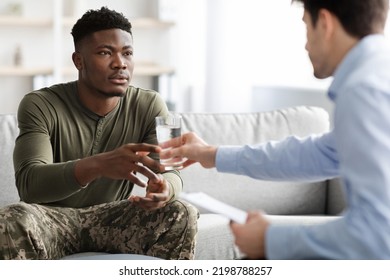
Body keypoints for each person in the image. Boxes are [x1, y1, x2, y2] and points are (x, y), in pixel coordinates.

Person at [160, 0, 390, 259]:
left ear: (324, 23)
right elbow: (317, 155)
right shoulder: (377, 77)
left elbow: (377, 235)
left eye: (306, 27)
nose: (305, 44)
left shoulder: (364, 90)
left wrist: (272, 240)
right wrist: (211, 154)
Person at [0, 6, 198, 260]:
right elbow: (30, 186)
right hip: (51, 220)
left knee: (181, 212)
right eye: (105, 53)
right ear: (78, 60)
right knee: (12, 219)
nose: (120, 63)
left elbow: (171, 170)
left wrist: (165, 189)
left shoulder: (151, 104)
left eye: (127, 53)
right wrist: (99, 164)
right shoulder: (39, 103)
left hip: (113, 218)